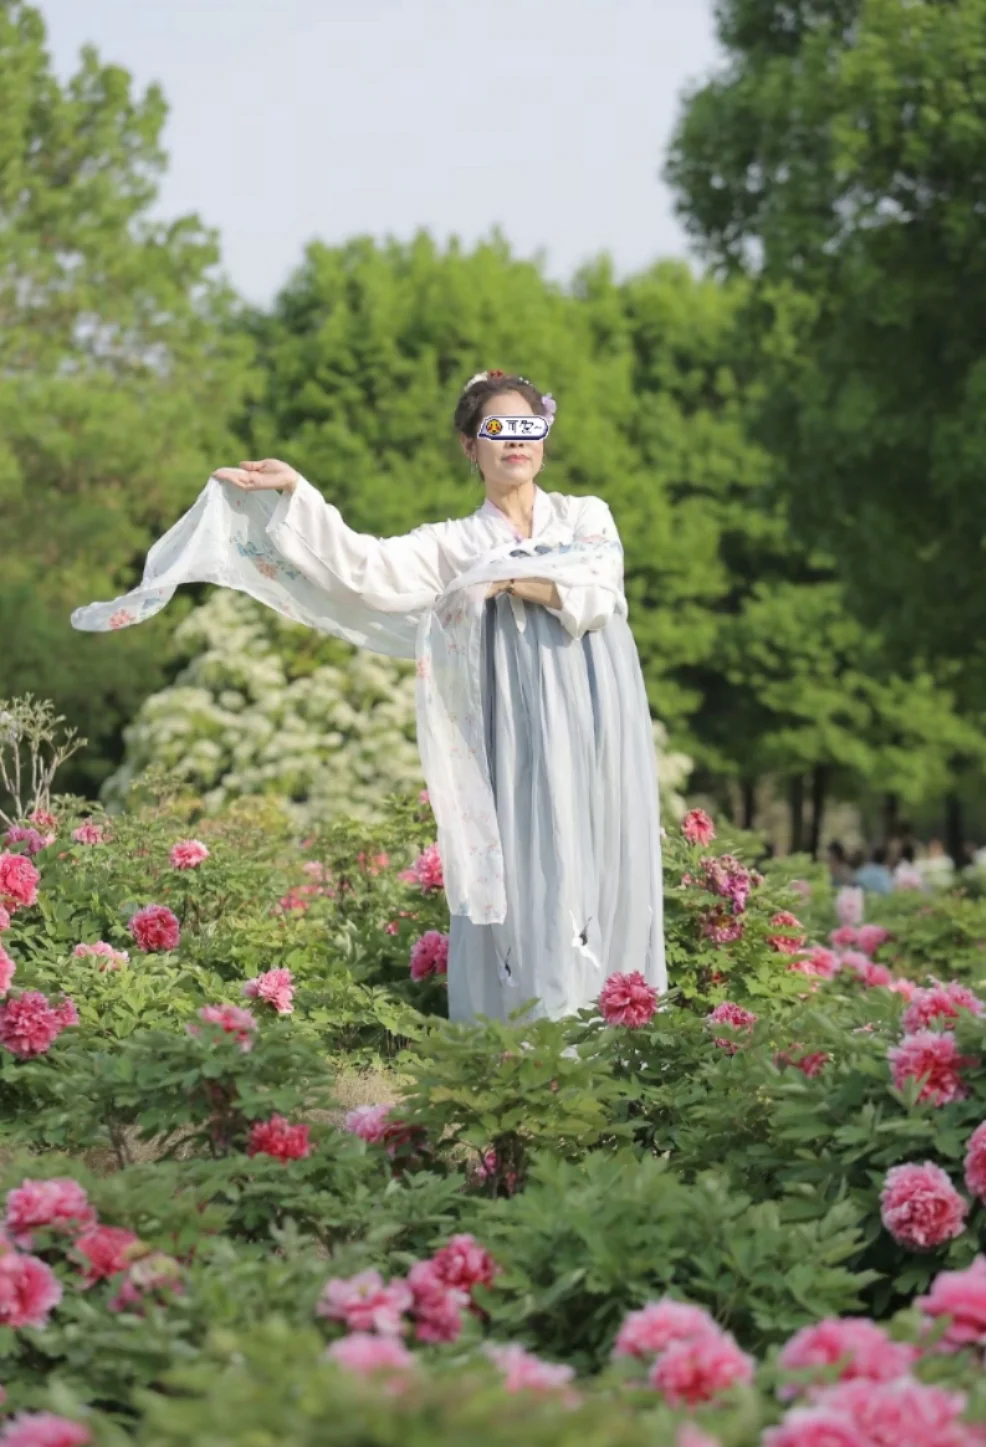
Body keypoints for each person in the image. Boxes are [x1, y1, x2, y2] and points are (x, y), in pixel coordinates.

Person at [71, 369, 666, 1026]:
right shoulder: (453, 544)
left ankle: (618, 1036)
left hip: (595, 713)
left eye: (528, 428)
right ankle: (533, 1041)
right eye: (497, 429)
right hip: (512, 729)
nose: (515, 443)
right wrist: (296, 492)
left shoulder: (586, 515)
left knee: (603, 856)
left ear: (545, 437)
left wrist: (506, 580)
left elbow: (599, 587)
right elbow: (361, 567)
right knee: (528, 872)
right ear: (471, 446)